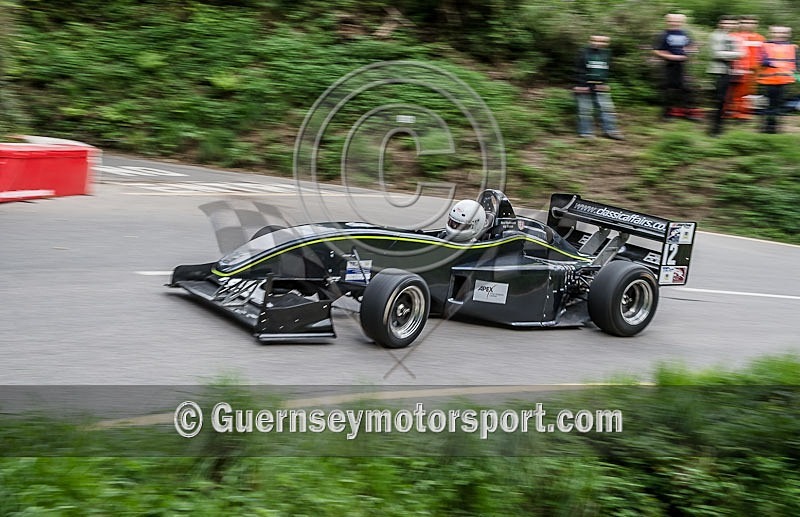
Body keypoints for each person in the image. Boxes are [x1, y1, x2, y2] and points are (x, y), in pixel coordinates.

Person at [653, 13, 702, 121]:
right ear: (667, 22)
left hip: (683, 65)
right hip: (669, 65)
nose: (675, 23)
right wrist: (672, 57)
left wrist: (691, 50)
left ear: (682, 22)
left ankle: (688, 113)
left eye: (678, 21)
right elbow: (657, 51)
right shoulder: (663, 34)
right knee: (668, 89)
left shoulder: (686, 33)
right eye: (672, 21)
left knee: (686, 88)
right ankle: (666, 114)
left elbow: (692, 46)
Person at [574, 35, 624, 140]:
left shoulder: (606, 53)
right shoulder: (583, 52)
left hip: (600, 85)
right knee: (585, 110)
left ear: (607, 43)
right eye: (596, 40)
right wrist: (581, 85)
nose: (599, 43)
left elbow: (605, 69)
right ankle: (586, 133)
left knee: (607, 109)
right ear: (590, 41)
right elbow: (579, 69)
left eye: (603, 42)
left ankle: (610, 131)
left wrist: (605, 83)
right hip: (584, 85)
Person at [707, 16, 743, 136]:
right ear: (720, 23)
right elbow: (716, 54)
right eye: (726, 23)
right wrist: (735, 54)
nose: (729, 25)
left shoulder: (731, 36)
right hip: (718, 71)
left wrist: (735, 54)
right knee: (719, 99)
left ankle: (718, 128)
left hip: (728, 70)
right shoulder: (716, 36)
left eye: (732, 23)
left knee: (724, 100)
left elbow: (740, 53)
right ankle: (713, 129)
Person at [757, 26, 798, 133]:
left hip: (785, 81)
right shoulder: (765, 45)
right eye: (777, 32)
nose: (780, 35)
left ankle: (774, 127)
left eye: (783, 33)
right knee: (770, 105)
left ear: (788, 34)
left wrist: (798, 78)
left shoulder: (793, 47)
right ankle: (768, 128)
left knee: (779, 105)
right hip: (769, 81)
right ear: (772, 33)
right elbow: (761, 60)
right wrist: (772, 63)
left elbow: (796, 64)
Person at [729, 15, 766, 118]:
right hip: (737, 69)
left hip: (754, 70)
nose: (748, 25)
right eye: (745, 22)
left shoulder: (760, 38)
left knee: (749, 92)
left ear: (756, 25)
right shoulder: (733, 36)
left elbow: (763, 55)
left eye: (752, 23)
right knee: (735, 91)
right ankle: (733, 111)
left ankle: (744, 112)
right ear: (740, 24)